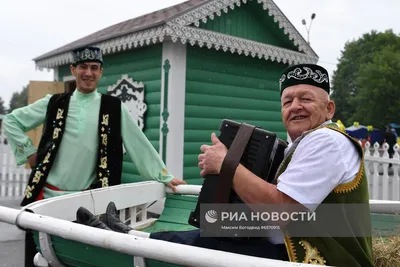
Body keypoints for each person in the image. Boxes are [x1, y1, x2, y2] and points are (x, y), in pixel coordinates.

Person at [79, 64, 374, 266]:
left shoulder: (326, 141)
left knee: (204, 242)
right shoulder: (304, 145)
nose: (295, 106)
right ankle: (132, 235)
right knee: (213, 228)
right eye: (287, 101)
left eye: (305, 99)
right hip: (289, 243)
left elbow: (283, 212)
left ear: (329, 108)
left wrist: (226, 166)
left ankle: (120, 244)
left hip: (314, 257)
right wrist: (224, 178)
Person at [3, 46, 185, 267]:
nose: (88, 73)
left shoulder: (114, 108)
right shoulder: (55, 103)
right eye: (83, 67)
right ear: (73, 69)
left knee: (79, 260)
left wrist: (164, 176)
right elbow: (11, 120)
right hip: (47, 199)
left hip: (88, 205)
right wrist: (28, 152)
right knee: (42, 258)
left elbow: (139, 144)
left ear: (100, 72)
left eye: (94, 68)